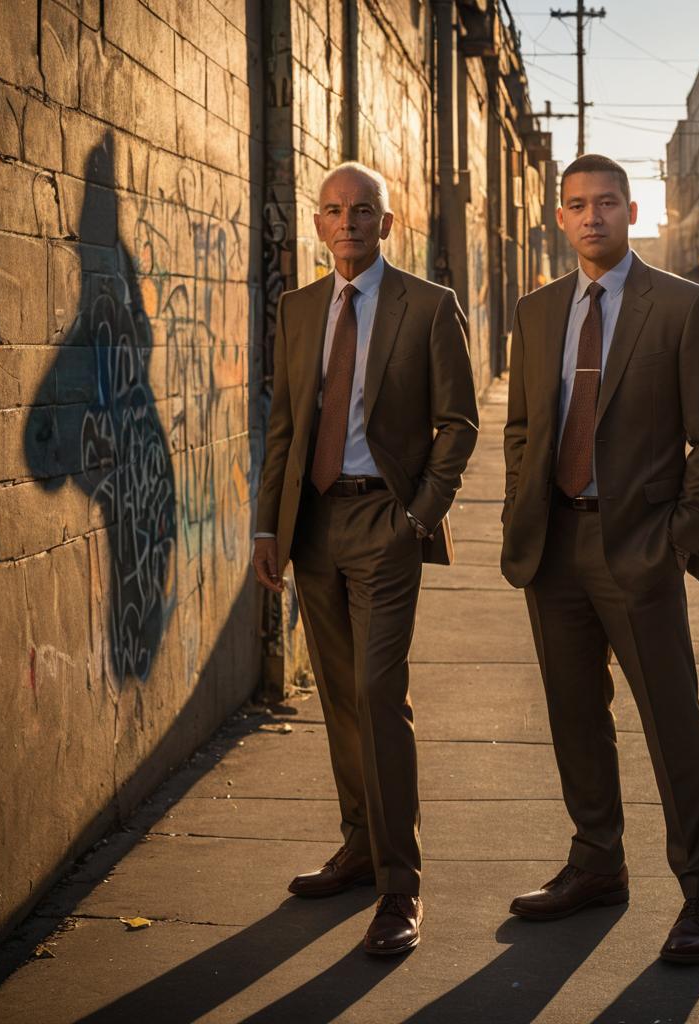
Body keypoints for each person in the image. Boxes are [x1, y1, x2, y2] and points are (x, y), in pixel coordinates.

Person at [500, 154, 699, 964]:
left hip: (639, 549)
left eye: (607, 203)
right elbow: (524, 430)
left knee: (672, 722)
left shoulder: (682, 307)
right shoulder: (535, 313)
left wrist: (675, 540)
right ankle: (597, 863)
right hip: (556, 545)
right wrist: (520, 514)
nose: (592, 216)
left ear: (631, 212)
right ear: (558, 218)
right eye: (577, 205)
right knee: (574, 716)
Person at [253, 161, 478, 956]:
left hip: (386, 523)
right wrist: (266, 529)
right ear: (318, 224)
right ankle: (359, 847)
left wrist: (418, 516)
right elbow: (284, 426)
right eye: (333, 210)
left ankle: (399, 887)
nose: (346, 223)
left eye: (362, 211)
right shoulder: (301, 307)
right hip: (313, 526)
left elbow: (459, 423)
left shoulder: (427, 306)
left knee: (380, 695)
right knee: (342, 699)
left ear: (388, 223)